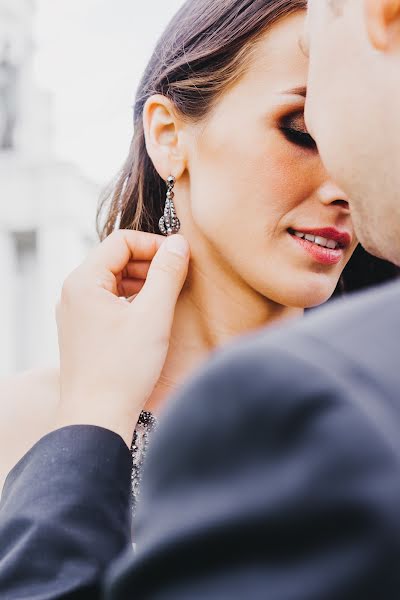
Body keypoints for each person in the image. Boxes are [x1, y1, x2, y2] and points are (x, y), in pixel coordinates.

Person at [1, 0, 400, 598]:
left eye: (351, 132)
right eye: (301, 130)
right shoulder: (30, 417)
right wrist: (93, 415)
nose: (341, 183)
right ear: (168, 136)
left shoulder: (381, 391)